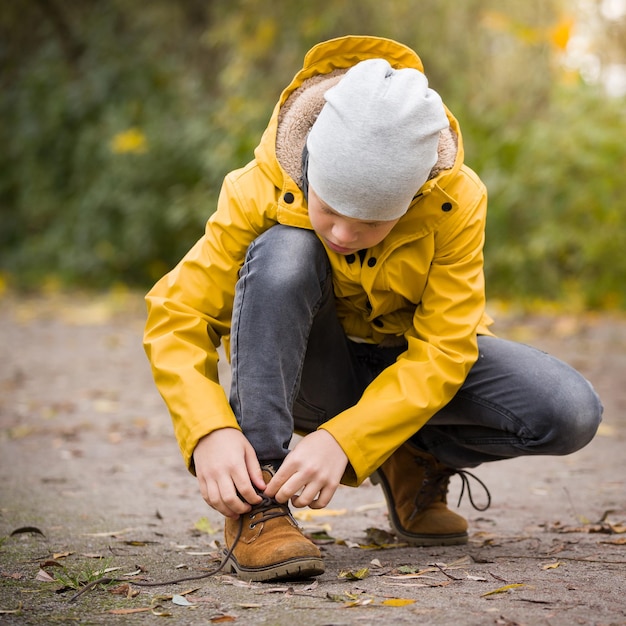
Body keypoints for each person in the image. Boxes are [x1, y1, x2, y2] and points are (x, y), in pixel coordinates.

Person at [143, 35, 603, 582]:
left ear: (412, 196)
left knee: (570, 410)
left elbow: (443, 348)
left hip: (406, 370)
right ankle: (259, 503)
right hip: (316, 377)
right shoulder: (258, 186)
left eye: (372, 223)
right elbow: (180, 314)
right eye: (331, 208)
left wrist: (351, 440)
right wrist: (209, 430)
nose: (344, 232)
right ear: (312, 163)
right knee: (287, 250)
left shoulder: (455, 199)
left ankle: (411, 455)